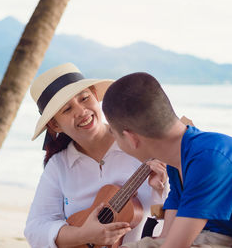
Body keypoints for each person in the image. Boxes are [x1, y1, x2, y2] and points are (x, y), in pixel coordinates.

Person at [101, 72, 232, 248]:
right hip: (217, 238)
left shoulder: (210, 159)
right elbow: (166, 238)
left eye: (114, 133)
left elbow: (176, 245)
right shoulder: (179, 158)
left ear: (131, 138)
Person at [24, 64, 167, 248]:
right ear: (55, 125)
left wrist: (160, 191)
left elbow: (167, 217)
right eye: (67, 109)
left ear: (96, 96)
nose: (81, 111)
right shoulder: (59, 166)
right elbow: (35, 229)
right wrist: (82, 235)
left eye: (84, 98)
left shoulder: (141, 143)